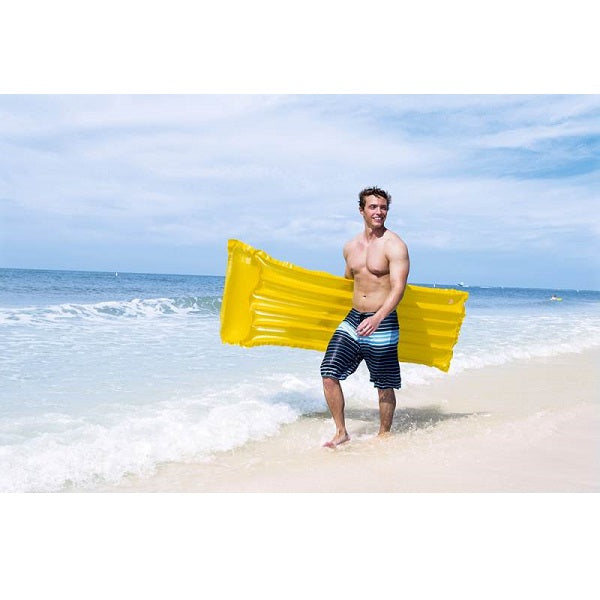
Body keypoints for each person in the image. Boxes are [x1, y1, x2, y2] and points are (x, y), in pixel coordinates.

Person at [320, 187, 410, 448]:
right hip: (354, 318)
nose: (379, 212)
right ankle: (341, 432)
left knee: (384, 385)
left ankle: (384, 434)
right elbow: (350, 280)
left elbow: (398, 288)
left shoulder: (395, 245)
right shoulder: (350, 247)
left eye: (383, 207)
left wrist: (378, 317)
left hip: (383, 320)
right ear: (361, 210)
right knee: (328, 372)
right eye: (373, 207)